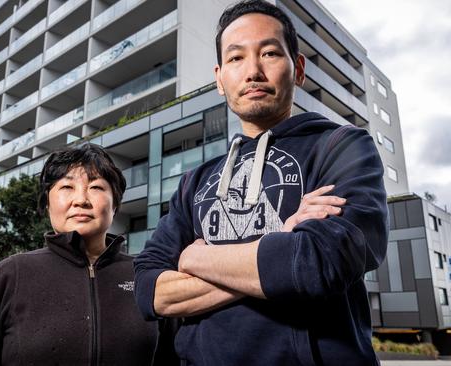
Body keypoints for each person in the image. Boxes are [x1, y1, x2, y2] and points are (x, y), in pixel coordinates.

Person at [134, 0, 388, 365]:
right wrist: (282, 241)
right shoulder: (195, 181)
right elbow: (149, 291)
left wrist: (197, 257)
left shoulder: (342, 146)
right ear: (220, 79)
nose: (252, 71)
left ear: (298, 69)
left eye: (269, 53)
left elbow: (319, 264)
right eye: (236, 58)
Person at [0, 144, 177, 366]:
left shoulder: (147, 276)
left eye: (96, 187)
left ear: (115, 205)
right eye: (67, 187)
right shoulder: (10, 275)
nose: (81, 200)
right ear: (47, 203)